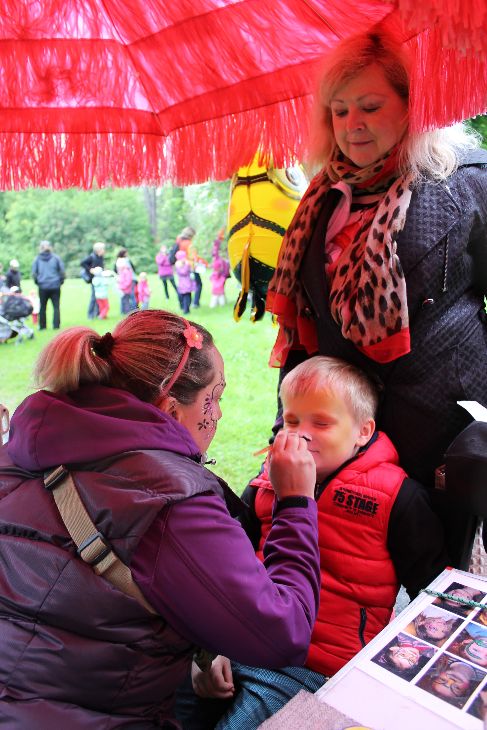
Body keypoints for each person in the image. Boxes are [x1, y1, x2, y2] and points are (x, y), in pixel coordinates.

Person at [0, 310, 321, 727]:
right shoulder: (167, 497)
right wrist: (295, 503)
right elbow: (283, 634)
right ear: (170, 409)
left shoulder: (18, 452)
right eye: (215, 397)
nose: (219, 414)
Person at [265, 25, 487, 568]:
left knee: (453, 574)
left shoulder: (464, 182)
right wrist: (285, 421)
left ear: (413, 107)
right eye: (339, 111)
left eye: (370, 106)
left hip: (446, 425)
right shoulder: (321, 198)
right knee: (362, 570)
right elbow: (305, 326)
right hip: (348, 436)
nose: (352, 125)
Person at [183, 356, 448, 729]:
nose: (301, 435)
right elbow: (228, 572)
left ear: (363, 431)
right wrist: (210, 649)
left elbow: (434, 594)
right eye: (291, 421)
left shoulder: (395, 497)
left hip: (315, 670)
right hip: (241, 642)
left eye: (321, 423)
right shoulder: (265, 483)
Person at [31, 240, 65, 330]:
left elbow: (34, 273)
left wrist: (38, 282)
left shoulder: (37, 259)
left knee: (42, 307)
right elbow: (62, 271)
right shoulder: (56, 258)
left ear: (40, 248)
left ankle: (42, 326)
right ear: (50, 247)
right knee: (56, 307)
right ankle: (56, 325)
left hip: (43, 286)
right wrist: (60, 282)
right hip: (55, 285)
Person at [80, 241, 106, 319]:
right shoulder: (92, 257)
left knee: (99, 297)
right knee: (94, 297)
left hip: (100, 280)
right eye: (103, 249)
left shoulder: (100, 257)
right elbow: (82, 263)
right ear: (98, 250)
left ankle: (98, 313)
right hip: (94, 281)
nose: (104, 250)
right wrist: (90, 269)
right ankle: (90, 315)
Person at [175, 249, 194, 315]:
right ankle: (186, 309)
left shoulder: (179, 264)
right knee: (187, 296)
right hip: (186, 282)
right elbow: (184, 272)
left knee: (185, 296)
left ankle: (184, 308)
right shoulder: (183, 264)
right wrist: (187, 266)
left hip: (182, 282)